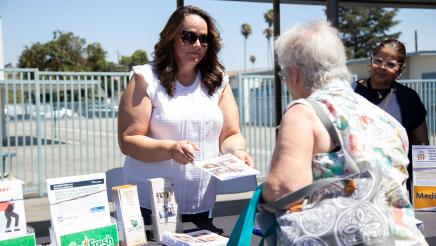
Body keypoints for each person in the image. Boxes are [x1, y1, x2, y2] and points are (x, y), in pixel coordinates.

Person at [262, 21, 427, 244]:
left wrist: (264, 194)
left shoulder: (304, 112)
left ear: (293, 73)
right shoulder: (389, 122)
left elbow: (285, 188)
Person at [117, 5, 253, 233]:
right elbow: (129, 140)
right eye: (188, 37)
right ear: (171, 38)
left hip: (201, 204)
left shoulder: (218, 81)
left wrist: (237, 152)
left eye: (204, 39)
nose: (197, 45)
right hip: (149, 207)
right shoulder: (146, 78)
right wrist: (170, 149)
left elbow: (230, 134)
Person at [353, 38, 429, 194]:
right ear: (371, 60)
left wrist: (425, 199)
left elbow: (421, 149)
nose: (382, 67)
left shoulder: (409, 99)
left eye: (390, 64)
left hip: (395, 191)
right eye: (378, 60)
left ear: (401, 69)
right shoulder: (350, 93)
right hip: (355, 187)